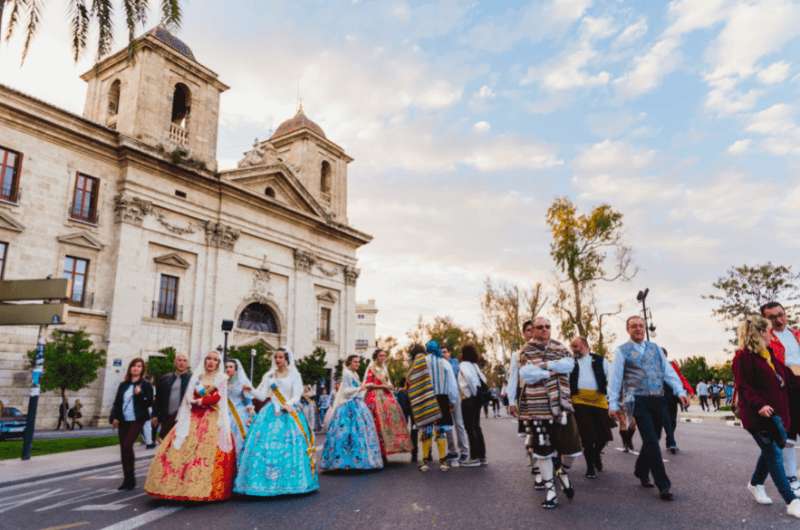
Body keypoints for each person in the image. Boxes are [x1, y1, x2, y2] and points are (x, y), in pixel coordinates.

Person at [607, 316, 689, 502]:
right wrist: (612, 402)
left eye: (640, 326)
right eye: (633, 326)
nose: (638, 329)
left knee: (655, 438)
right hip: (637, 400)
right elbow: (615, 378)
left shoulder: (655, 348)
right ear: (628, 329)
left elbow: (668, 371)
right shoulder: (622, 351)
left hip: (658, 399)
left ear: (644, 328)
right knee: (652, 441)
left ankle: (641, 470)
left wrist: (679, 390)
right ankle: (664, 485)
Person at [733, 315, 800, 518]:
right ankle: (792, 500)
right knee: (773, 453)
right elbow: (744, 387)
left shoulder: (767, 353)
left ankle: (755, 484)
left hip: (776, 414)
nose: (772, 336)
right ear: (760, 332)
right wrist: (760, 405)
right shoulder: (742, 357)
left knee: (771, 450)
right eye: (769, 331)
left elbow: (786, 378)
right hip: (758, 415)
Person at [510, 316, 580, 509]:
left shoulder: (560, 346)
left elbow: (570, 365)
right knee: (542, 453)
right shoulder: (526, 351)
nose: (544, 330)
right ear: (533, 329)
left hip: (562, 407)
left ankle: (562, 470)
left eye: (547, 326)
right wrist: (552, 372)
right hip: (537, 409)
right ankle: (551, 491)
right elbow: (527, 374)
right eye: (540, 327)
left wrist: (545, 366)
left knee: (573, 450)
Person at [145, 350, 235, 501]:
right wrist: (193, 401)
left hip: (211, 419)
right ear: (204, 361)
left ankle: (202, 487)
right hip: (194, 417)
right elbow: (188, 395)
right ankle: (179, 486)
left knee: (204, 453)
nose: (211, 362)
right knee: (181, 449)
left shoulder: (221, 378)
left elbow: (219, 397)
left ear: (218, 363)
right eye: (208, 359)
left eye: (214, 360)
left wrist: (204, 401)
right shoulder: (197, 377)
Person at [234, 348, 318, 496]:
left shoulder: (294, 375)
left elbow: (297, 394)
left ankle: (290, 481)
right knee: (264, 447)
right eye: (276, 357)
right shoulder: (270, 375)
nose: (278, 360)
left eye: (280, 357)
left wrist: (289, 405)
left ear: (286, 359)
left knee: (290, 447)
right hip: (271, 412)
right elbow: (261, 396)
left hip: (289, 412)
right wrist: (251, 390)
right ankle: (263, 483)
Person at [762, 301, 800, 495]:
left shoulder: (797, 334)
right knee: (788, 437)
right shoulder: (766, 340)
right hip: (786, 387)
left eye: (781, 314)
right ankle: (792, 479)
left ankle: (758, 481)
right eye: (772, 317)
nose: (778, 320)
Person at [320, 355, 384, 471]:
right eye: (355, 362)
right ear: (349, 363)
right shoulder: (347, 373)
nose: (357, 364)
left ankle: (356, 461)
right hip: (348, 405)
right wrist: (361, 388)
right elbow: (345, 391)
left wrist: (362, 388)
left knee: (357, 433)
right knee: (346, 433)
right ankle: (343, 462)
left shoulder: (355, 374)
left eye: (358, 362)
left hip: (357, 403)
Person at [569, 337, 613, 479]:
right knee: (587, 437)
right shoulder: (570, 363)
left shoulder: (601, 360)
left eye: (576, 346)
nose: (574, 350)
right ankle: (590, 467)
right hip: (579, 400)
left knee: (604, 435)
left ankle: (596, 455)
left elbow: (612, 379)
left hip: (599, 400)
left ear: (586, 346)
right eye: (572, 347)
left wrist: (612, 400)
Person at [110, 358, 154, 490]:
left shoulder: (146, 385)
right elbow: (117, 402)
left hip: (137, 419)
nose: (136, 368)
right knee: (124, 449)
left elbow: (149, 402)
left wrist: (140, 395)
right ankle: (128, 480)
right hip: (123, 420)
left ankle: (132, 477)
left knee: (128, 444)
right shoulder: (123, 385)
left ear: (142, 369)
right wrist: (114, 417)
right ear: (130, 368)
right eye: (134, 366)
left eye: (139, 366)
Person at [364, 349, 412, 461]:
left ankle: (385, 451)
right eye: (380, 355)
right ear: (376, 357)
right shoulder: (371, 368)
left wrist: (389, 386)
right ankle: (376, 452)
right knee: (377, 425)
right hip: (374, 397)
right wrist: (383, 387)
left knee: (388, 425)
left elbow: (388, 381)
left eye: (384, 356)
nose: (383, 358)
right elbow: (367, 384)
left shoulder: (384, 368)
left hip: (386, 397)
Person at [458, 343, 487, 466]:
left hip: (468, 399)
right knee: (476, 426)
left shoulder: (463, 365)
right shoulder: (475, 365)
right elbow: (484, 379)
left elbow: (469, 379)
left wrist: (472, 393)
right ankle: (482, 456)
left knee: (470, 427)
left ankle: (474, 458)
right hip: (477, 399)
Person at [441, 344, 470, 466]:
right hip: (443, 397)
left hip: (456, 395)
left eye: (445, 352)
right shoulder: (440, 364)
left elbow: (453, 375)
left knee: (459, 424)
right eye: (441, 352)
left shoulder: (454, 363)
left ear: (449, 353)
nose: (444, 354)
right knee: (447, 426)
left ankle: (464, 450)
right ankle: (452, 450)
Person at [152, 352, 192, 440]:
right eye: (179, 360)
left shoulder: (193, 380)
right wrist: (154, 415)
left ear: (188, 364)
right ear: (175, 362)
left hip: (184, 419)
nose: (182, 363)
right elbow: (158, 399)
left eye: (185, 361)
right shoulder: (164, 379)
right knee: (165, 445)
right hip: (166, 418)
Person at [662, 348, 694, 454]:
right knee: (666, 419)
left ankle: (669, 439)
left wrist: (689, 391)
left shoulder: (671, 365)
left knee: (673, 420)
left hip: (672, 395)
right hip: (660, 396)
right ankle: (672, 442)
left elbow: (680, 378)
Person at [225, 358, 254, 455]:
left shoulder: (242, 383)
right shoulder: (222, 382)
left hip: (239, 412)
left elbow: (248, 400)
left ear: (236, 370)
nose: (228, 369)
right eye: (226, 367)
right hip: (224, 411)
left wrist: (250, 414)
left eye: (231, 367)